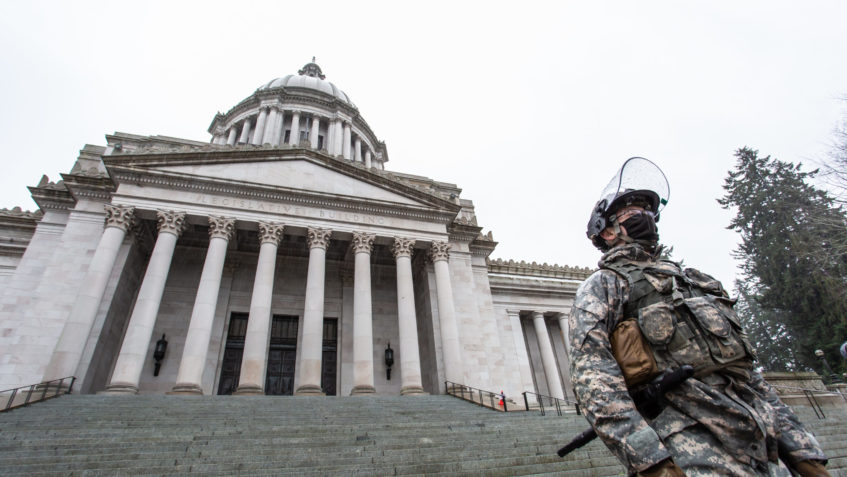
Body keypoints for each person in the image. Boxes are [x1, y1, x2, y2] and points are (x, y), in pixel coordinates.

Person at [568, 157, 830, 477]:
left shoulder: (696, 281)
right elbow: (595, 384)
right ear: (606, 232)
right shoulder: (603, 288)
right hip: (688, 444)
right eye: (631, 213)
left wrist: (802, 450)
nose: (644, 217)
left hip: (759, 442)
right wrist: (653, 463)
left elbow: (747, 376)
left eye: (647, 211)